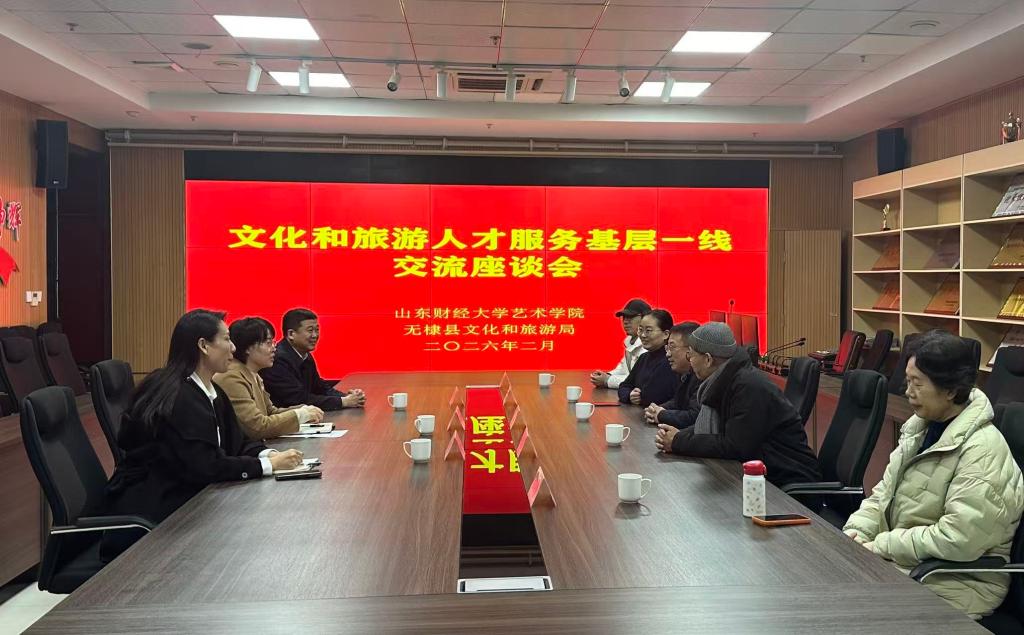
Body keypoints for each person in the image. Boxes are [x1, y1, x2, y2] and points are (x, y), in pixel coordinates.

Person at [843, 330, 1024, 620]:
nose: (908, 391)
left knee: (847, 613)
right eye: (907, 381)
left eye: (917, 383)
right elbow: (882, 495)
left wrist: (882, 545)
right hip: (911, 565)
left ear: (950, 390)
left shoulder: (982, 449)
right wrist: (856, 533)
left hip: (955, 580)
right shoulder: (920, 428)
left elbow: (958, 537)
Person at [102, 310, 305, 560]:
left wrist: (269, 455)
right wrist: (267, 466)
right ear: (204, 346)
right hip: (158, 518)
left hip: (190, 502)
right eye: (226, 339)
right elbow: (206, 466)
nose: (233, 348)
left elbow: (238, 442)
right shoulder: (180, 396)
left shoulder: (210, 390)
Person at [655, 321, 820, 487]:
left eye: (691, 355)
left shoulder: (749, 387)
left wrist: (679, 441)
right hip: (761, 473)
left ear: (708, 359)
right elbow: (723, 429)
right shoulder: (727, 380)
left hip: (787, 482)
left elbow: (735, 446)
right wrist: (679, 436)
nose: (689, 361)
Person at [214, 317, 325, 440]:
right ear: (248, 348)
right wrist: (300, 415)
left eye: (273, 342)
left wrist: (303, 409)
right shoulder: (231, 376)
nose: (274, 348)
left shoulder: (253, 374)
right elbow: (257, 427)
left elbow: (270, 412)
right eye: (268, 343)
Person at [262, 308, 365, 411]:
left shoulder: (305, 354)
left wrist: (348, 397)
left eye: (317, 330)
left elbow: (320, 387)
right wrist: (343, 402)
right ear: (291, 334)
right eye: (310, 330)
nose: (315, 335)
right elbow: (298, 399)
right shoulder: (277, 359)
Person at [617, 309, 679, 408]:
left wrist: (639, 395)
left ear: (666, 334)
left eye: (648, 331)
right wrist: (630, 395)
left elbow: (652, 396)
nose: (642, 335)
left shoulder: (671, 360)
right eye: (640, 329)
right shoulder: (643, 358)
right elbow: (624, 386)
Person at [645, 321, 701, 429]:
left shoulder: (701, 376)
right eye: (667, 348)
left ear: (691, 349)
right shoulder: (684, 373)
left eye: (672, 347)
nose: (668, 354)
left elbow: (695, 417)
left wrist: (661, 414)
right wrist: (656, 409)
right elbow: (677, 402)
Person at [591, 298, 650, 390]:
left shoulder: (649, 345)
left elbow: (638, 380)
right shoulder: (630, 342)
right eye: (624, 317)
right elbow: (623, 369)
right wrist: (606, 375)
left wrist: (607, 380)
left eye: (630, 317)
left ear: (645, 318)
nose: (625, 321)